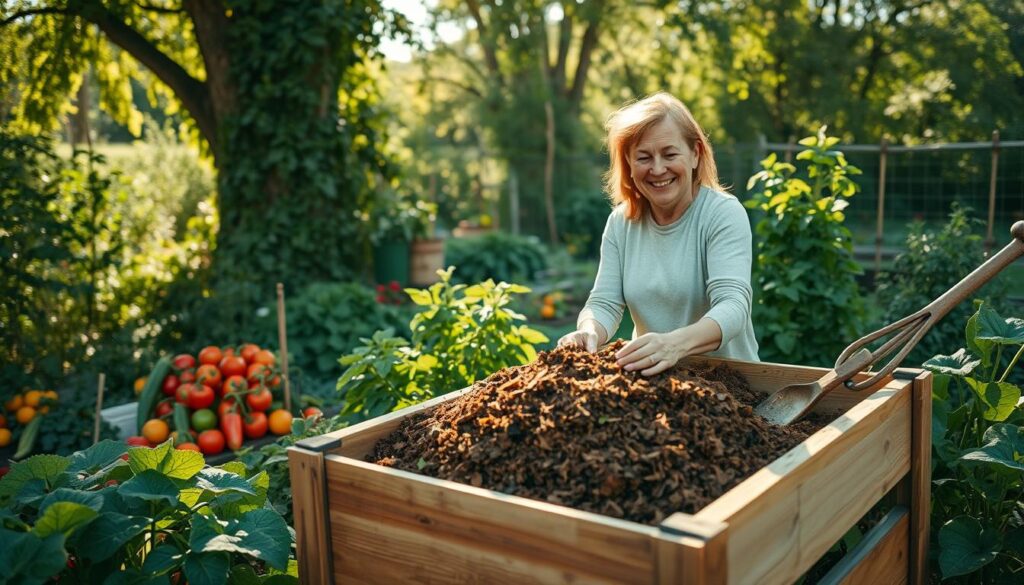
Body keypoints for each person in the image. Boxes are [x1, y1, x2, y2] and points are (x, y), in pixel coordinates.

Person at [558, 92, 759, 374]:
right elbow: (604, 302)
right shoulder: (621, 223)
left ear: (695, 154)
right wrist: (588, 331)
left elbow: (733, 306)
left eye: (669, 154)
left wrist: (674, 345)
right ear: (628, 164)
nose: (657, 168)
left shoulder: (722, 213)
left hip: (731, 388)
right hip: (654, 384)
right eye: (643, 157)